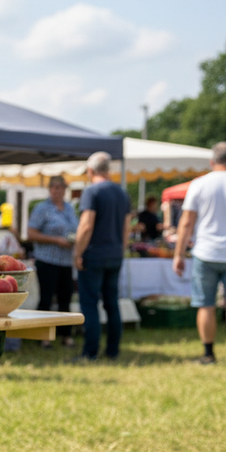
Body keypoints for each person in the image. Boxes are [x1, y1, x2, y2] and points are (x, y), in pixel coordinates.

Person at [72, 151, 132, 361]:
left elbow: (86, 225)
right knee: (112, 303)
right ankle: (113, 350)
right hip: (115, 253)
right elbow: (127, 228)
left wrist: (78, 252)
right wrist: (121, 250)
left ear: (90, 170)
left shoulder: (92, 191)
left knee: (89, 304)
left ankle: (90, 352)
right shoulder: (122, 192)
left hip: (94, 254)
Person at [172, 141, 226, 365]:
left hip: (206, 252)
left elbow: (186, 222)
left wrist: (178, 254)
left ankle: (208, 353)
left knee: (206, 304)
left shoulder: (199, 184)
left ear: (212, 161)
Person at [26, 176, 79, 349]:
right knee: (46, 298)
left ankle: (66, 335)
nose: (58, 191)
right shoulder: (42, 208)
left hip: (66, 261)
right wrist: (55, 240)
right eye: (55, 188)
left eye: (61, 187)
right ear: (50, 190)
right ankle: (43, 336)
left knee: (65, 298)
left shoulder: (69, 208)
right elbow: (31, 233)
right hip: (47, 260)